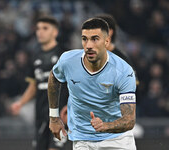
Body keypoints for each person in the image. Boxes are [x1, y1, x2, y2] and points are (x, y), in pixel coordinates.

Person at [48, 18, 137, 150]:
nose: (88, 45)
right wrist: (54, 117)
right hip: (82, 138)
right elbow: (54, 78)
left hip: (117, 139)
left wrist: (105, 126)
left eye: (95, 39)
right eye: (85, 39)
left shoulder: (123, 71)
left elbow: (129, 119)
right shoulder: (68, 61)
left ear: (107, 41)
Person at [10, 16, 71, 150]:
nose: (40, 32)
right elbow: (34, 85)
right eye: (38, 28)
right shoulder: (35, 56)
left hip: (60, 115)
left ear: (55, 32)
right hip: (41, 115)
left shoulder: (65, 55)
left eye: (45, 28)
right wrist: (21, 103)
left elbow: (76, 83)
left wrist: (71, 106)